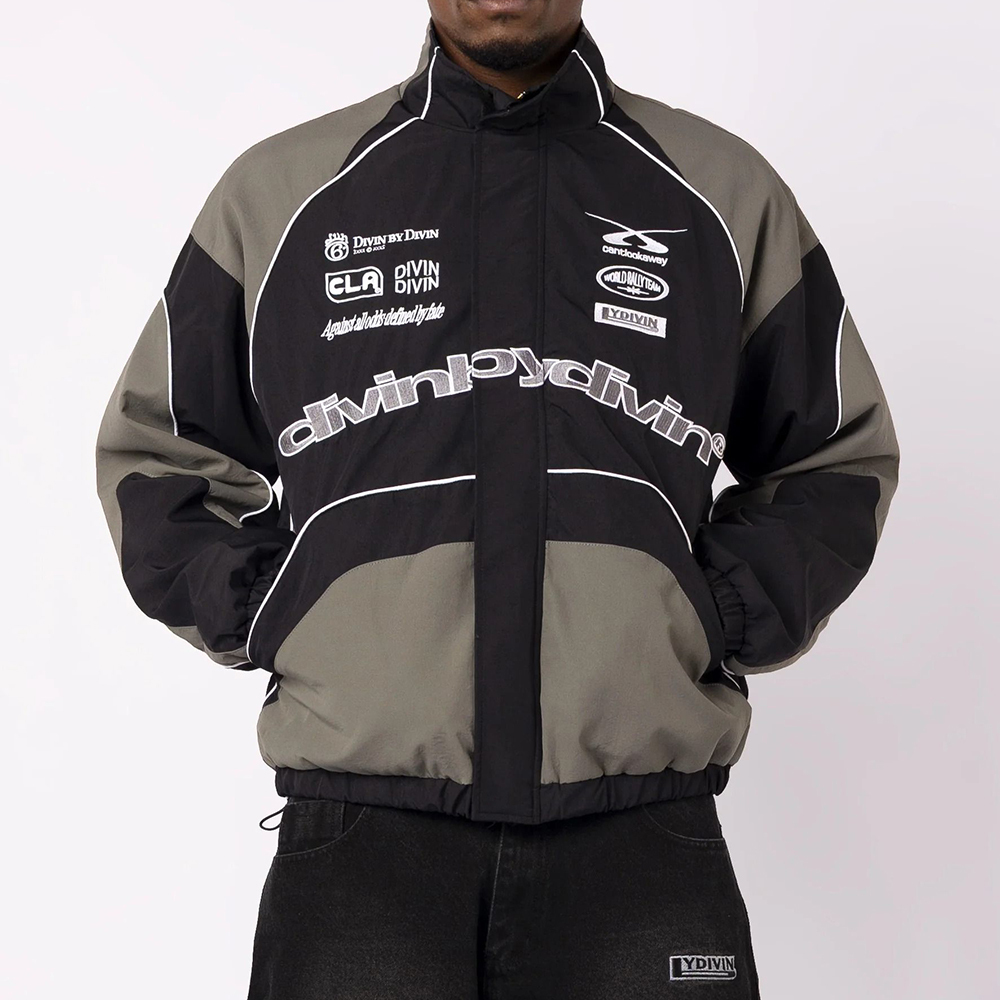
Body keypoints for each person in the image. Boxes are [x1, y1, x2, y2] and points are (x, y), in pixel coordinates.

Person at [95, 0, 899, 996]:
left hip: (642, 837)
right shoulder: (282, 194)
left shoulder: (722, 192)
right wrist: (275, 607)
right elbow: (159, 452)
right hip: (362, 843)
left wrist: (720, 609)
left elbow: (834, 460)